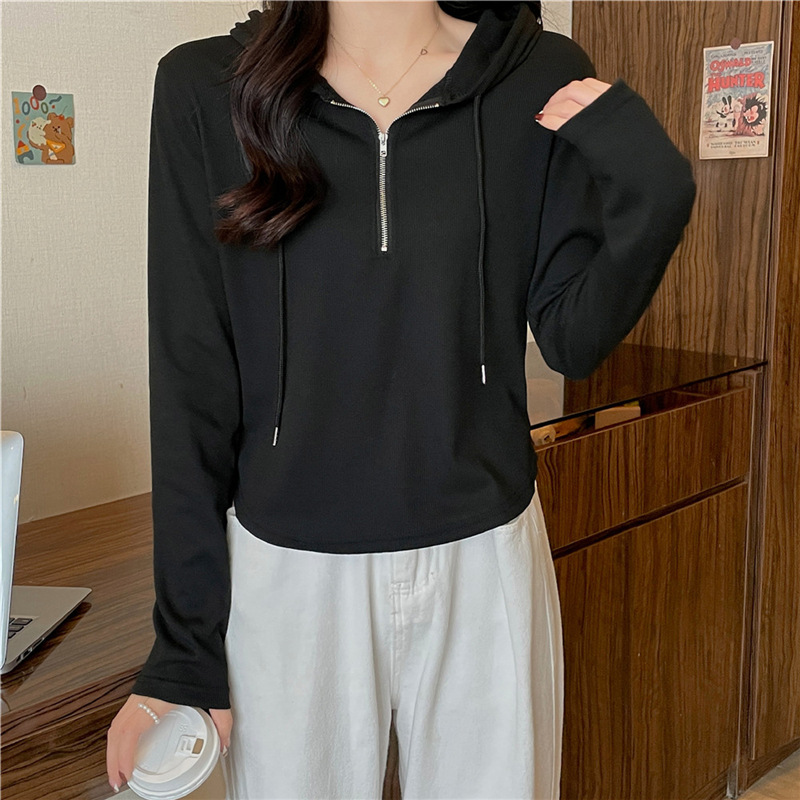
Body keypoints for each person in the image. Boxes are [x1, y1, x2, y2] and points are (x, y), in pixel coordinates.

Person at [105, 1, 696, 797]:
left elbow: (572, 339)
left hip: (484, 555)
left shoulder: (539, 72)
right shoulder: (205, 86)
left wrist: (657, 194)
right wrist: (183, 649)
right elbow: (191, 377)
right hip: (288, 573)